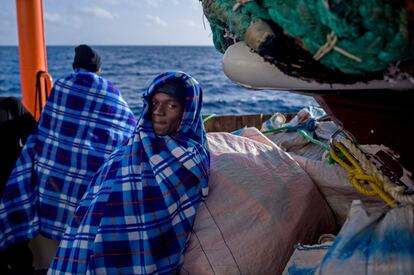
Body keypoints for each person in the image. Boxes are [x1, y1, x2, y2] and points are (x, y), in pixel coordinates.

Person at [49, 71, 210, 274]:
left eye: (171, 105)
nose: (159, 111)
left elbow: (170, 214)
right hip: (98, 241)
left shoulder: (191, 157)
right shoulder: (132, 145)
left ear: (187, 111)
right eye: (154, 103)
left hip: (147, 251)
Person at [0, 45, 137, 253]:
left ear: (74, 67)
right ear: (98, 69)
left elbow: (45, 130)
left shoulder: (62, 85)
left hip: (54, 184)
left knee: (42, 164)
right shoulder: (111, 91)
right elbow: (129, 131)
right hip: (93, 183)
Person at [0, 97, 36, 274]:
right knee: (19, 254)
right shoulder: (11, 106)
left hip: (11, 190)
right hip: (12, 191)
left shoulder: (11, 106)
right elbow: (36, 140)